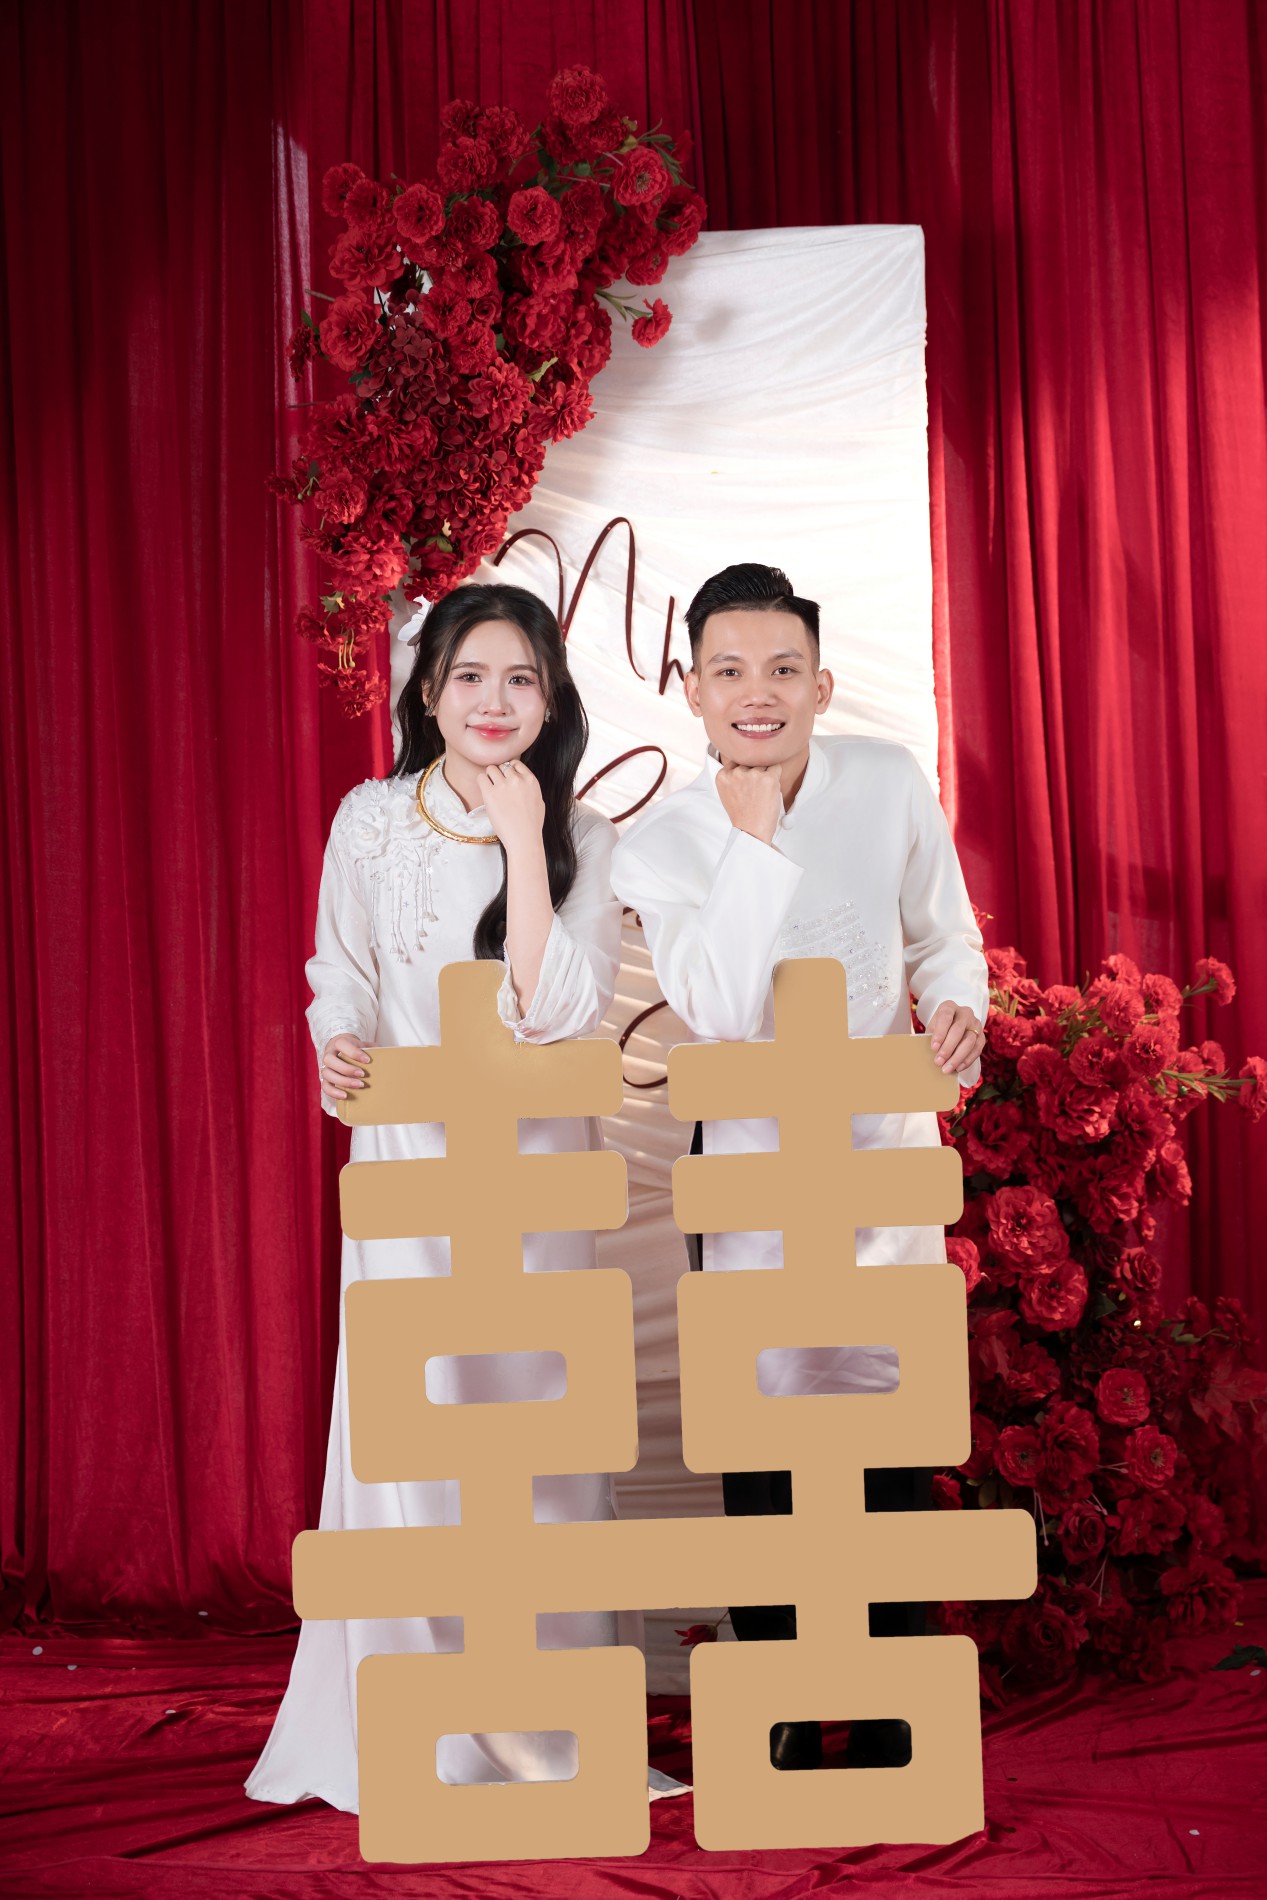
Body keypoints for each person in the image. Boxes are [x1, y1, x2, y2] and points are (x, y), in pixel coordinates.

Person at [246, 582, 680, 1812]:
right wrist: (337, 1038)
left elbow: (557, 1011)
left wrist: (524, 842)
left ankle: (538, 1727)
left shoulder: (578, 831)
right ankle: (411, 1722)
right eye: (471, 676)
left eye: (521, 679)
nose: (495, 702)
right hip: (410, 1165)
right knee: (416, 1427)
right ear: (427, 688)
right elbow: (341, 968)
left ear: (551, 699)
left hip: (535, 1173)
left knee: (532, 1440)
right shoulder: (369, 818)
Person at [609, 563, 988, 1772]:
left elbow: (943, 931)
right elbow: (720, 1010)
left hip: (881, 1158)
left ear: (821, 684)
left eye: (782, 669)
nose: (756, 693)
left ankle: (887, 1710)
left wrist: (958, 1003)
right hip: (753, 1174)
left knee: (888, 1435)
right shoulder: (661, 841)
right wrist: (754, 839)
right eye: (728, 670)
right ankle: (781, 1697)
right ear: (690, 688)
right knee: (765, 1441)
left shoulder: (887, 780)